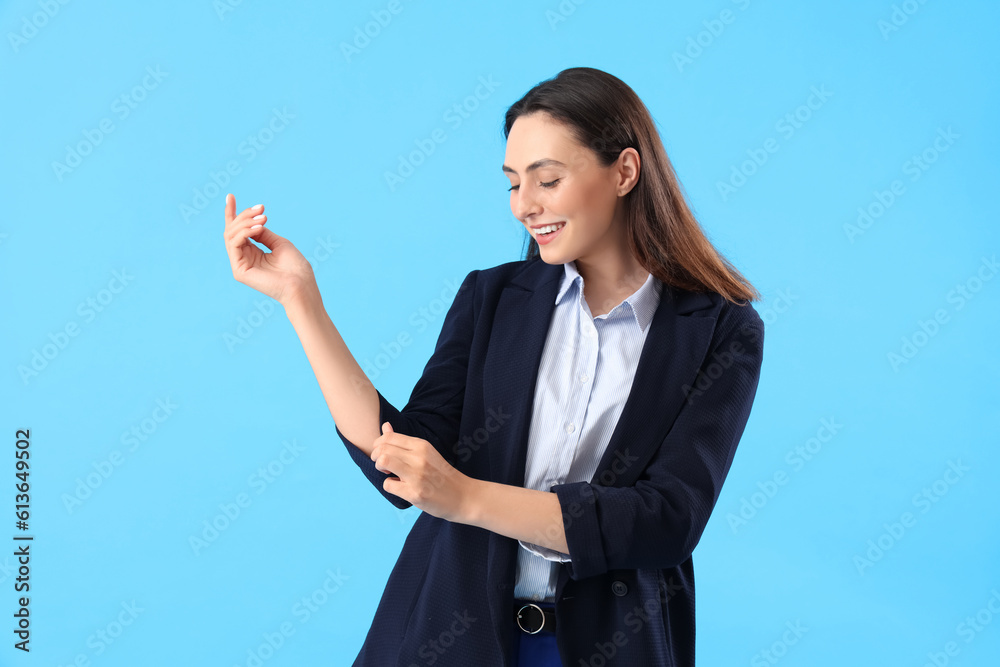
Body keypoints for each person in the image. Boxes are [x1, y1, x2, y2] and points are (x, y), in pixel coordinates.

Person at [223, 66, 765, 666]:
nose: (524, 206)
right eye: (512, 184)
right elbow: (402, 459)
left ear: (625, 172)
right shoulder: (492, 298)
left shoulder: (720, 330)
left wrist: (466, 497)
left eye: (547, 180)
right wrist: (302, 300)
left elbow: (667, 519)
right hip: (452, 635)